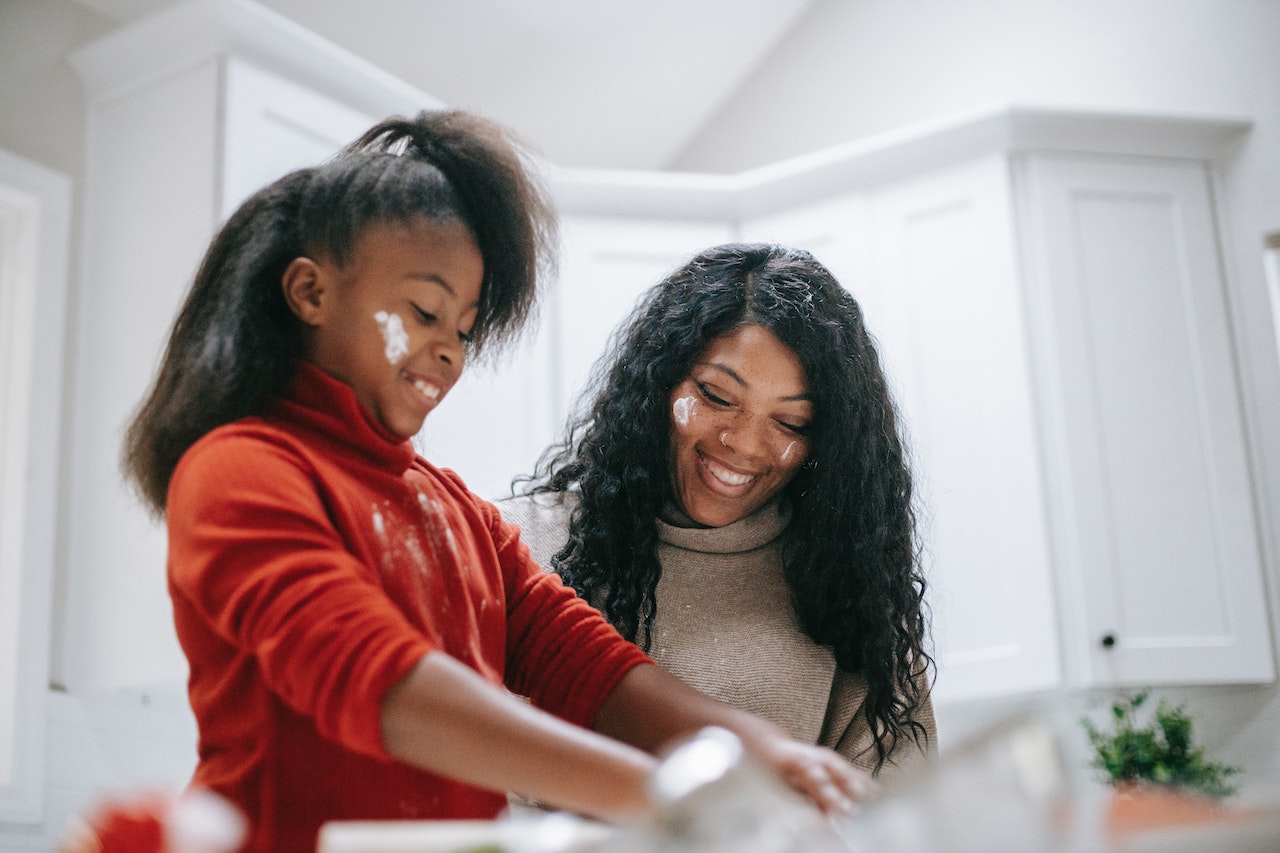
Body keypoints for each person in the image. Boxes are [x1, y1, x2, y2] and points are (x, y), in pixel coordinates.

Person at [118, 114, 869, 853]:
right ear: (310, 292)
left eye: (465, 328)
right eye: (423, 311)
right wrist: (663, 800)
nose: (448, 351)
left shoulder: (455, 511)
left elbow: (593, 670)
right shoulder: (240, 470)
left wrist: (760, 751)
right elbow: (384, 686)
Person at [503, 242, 937, 777]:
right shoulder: (513, 547)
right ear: (659, 381)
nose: (744, 444)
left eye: (791, 423)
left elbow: (892, 822)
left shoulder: (851, 596)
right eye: (716, 395)